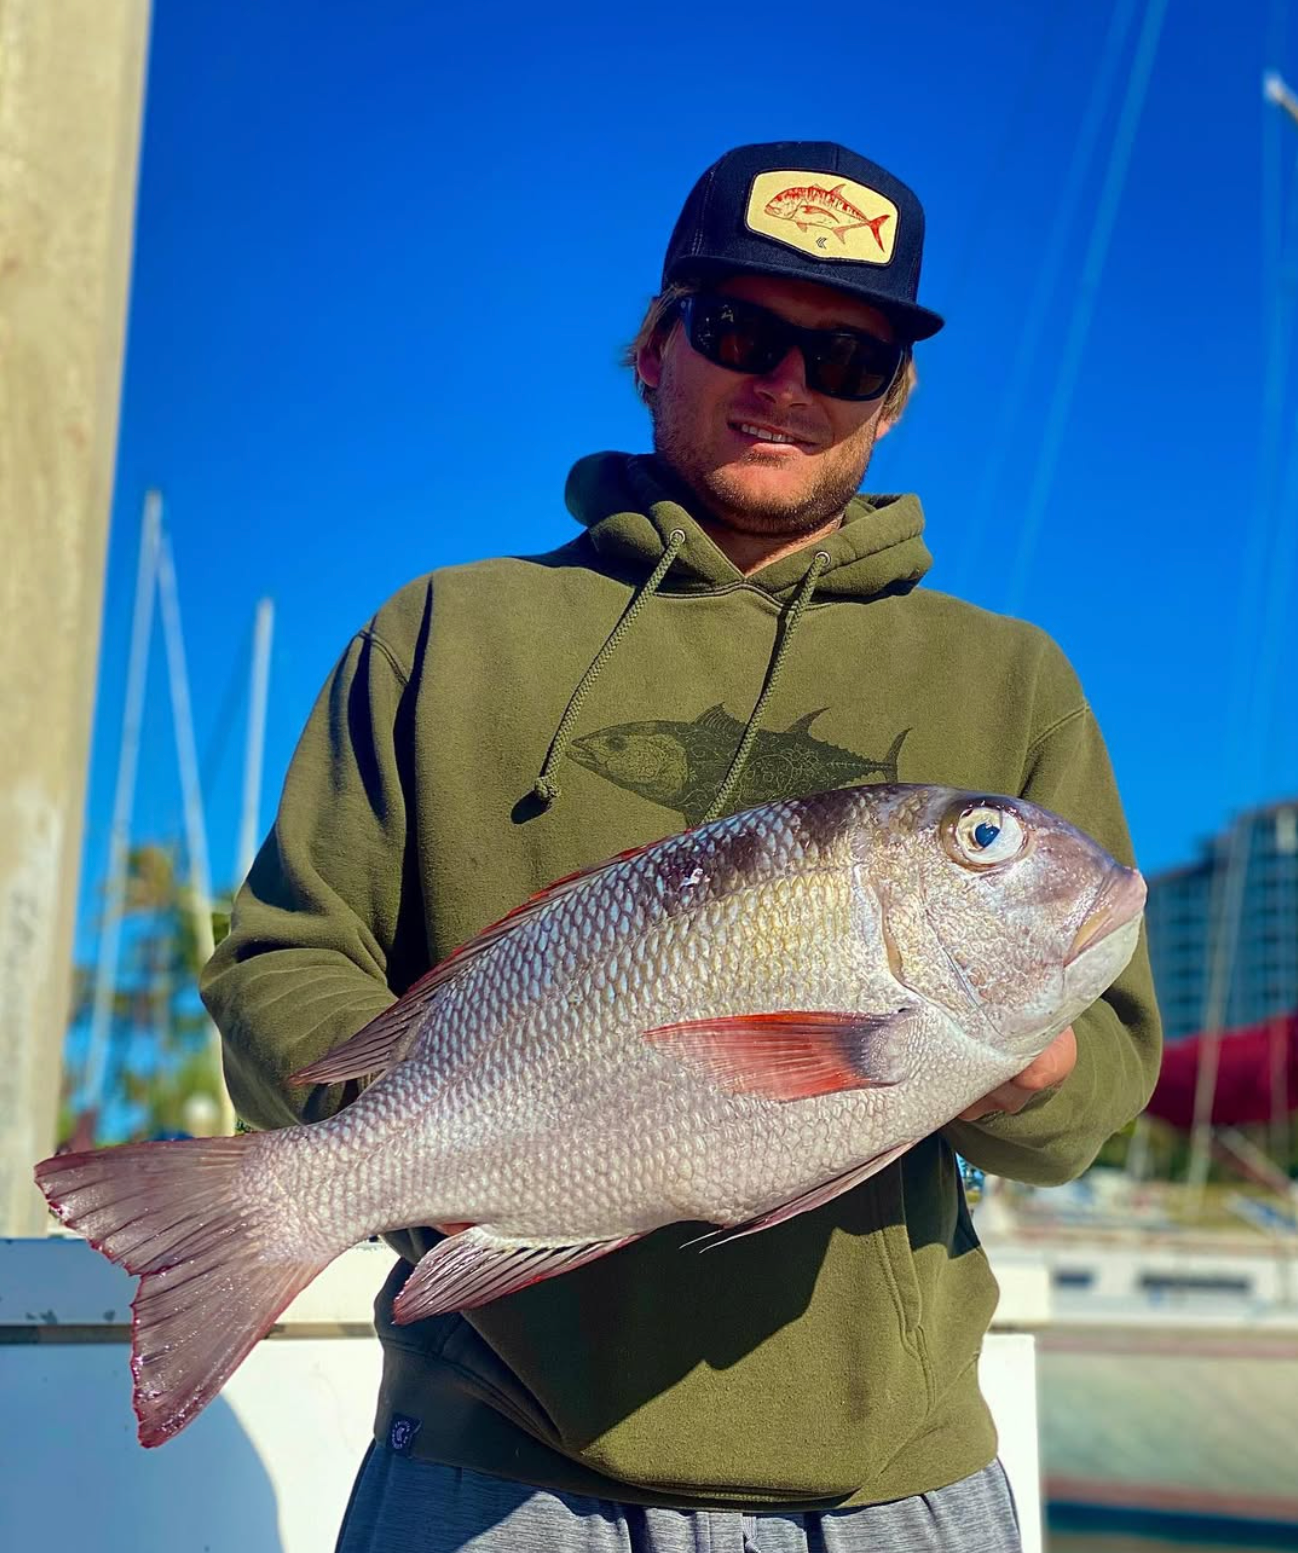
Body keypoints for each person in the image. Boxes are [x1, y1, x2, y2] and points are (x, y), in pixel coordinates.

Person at [201, 140, 1162, 1552]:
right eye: (738, 329)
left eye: (844, 354)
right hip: (492, 1471)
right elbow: (287, 953)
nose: (785, 381)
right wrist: (400, 1152)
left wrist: (1014, 1046)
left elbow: (1095, 1099)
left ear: (893, 400)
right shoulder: (444, 633)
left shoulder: (1010, 680)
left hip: (889, 1481)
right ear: (652, 345)